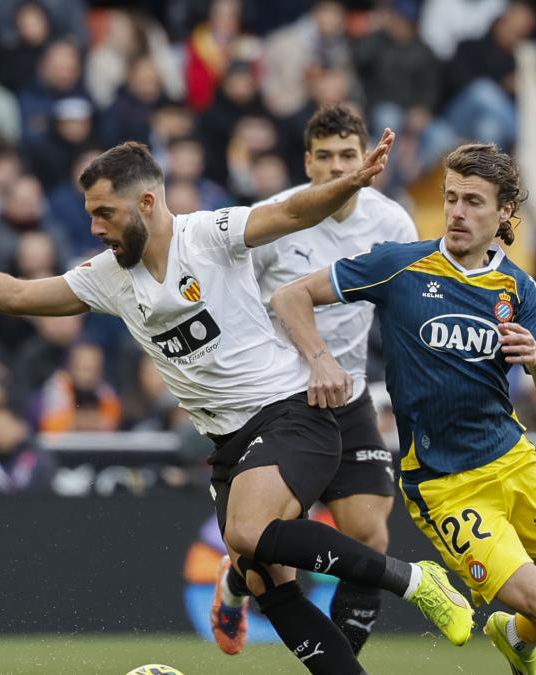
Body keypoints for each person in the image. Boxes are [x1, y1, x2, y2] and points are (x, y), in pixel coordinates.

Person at [0, 137, 472, 675]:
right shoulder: (109, 276)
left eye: (105, 212)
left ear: (146, 203)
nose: (94, 227)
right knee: (268, 585)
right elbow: (18, 294)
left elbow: (293, 212)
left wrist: (350, 182)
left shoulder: (209, 234)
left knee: (248, 532)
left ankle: (414, 580)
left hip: (290, 412)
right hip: (229, 444)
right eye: (91, 214)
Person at [272, 143, 536, 675]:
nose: (457, 212)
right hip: (447, 485)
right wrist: (320, 360)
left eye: (473, 201)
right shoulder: (401, 265)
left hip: (514, 462)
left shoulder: (518, 288)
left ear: (504, 212)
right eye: (451, 198)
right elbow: (290, 296)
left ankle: (514, 635)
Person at [210, 105, 418, 656]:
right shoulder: (276, 219)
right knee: (264, 551)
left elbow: (404, 308)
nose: (337, 167)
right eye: (324, 156)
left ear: (367, 158)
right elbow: (233, 301)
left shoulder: (393, 224)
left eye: (348, 155)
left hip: (348, 397)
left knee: (369, 535)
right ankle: (236, 582)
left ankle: (340, 663)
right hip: (278, 401)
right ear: (307, 162)